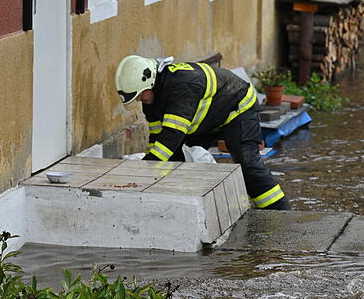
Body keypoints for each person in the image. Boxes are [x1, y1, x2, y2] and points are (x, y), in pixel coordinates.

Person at [115, 55, 291, 210]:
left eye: (139, 95)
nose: (140, 100)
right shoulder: (151, 98)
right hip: (210, 117)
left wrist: (145, 170)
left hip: (237, 108)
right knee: (174, 157)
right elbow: (157, 137)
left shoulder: (181, 86)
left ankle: (278, 211)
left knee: (247, 163)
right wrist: (154, 174)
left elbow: (171, 137)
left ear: (150, 81)